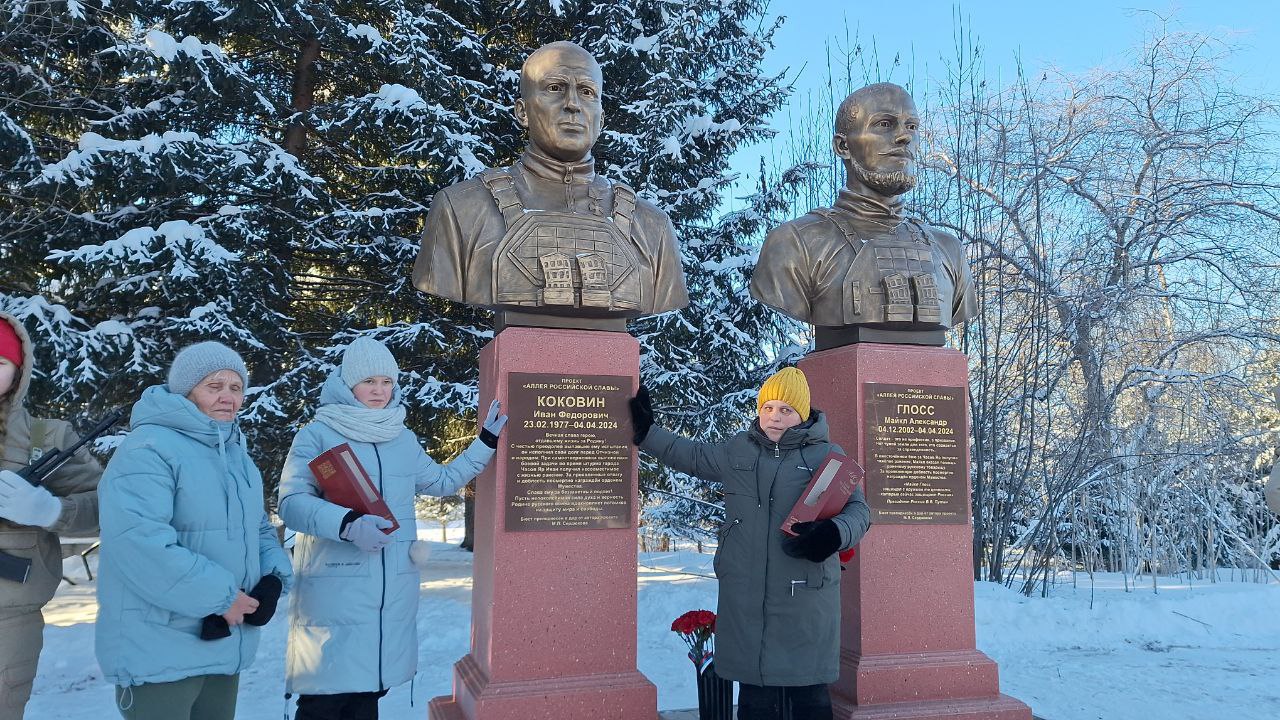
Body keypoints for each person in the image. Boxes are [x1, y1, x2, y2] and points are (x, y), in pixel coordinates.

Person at [278, 337, 506, 720]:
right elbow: (292, 504)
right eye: (369, 382)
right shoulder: (317, 434)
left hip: (391, 596)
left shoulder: (400, 437)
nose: (380, 391)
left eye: (387, 382)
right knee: (325, 699)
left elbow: (443, 481)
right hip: (337, 595)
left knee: (368, 697)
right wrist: (348, 524)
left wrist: (485, 442)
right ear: (349, 383)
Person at [630, 368, 871, 720]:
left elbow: (860, 513)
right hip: (747, 595)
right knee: (755, 695)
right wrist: (647, 433)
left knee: (809, 694)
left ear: (803, 414)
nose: (774, 417)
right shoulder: (739, 450)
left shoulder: (826, 457)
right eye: (768, 407)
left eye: (786, 410)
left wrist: (834, 533)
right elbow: (693, 456)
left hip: (805, 599)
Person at [412, 40, 688, 332]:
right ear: (522, 112)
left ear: (601, 118)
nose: (573, 104)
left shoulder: (652, 226)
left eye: (587, 92)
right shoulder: (462, 209)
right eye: (555, 88)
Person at [95, 341, 292, 720]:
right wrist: (223, 598)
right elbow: (139, 543)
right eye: (213, 386)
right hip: (160, 645)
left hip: (222, 640)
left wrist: (273, 580)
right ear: (186, 391)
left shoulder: (237, 456)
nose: (227, 397)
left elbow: (259, 529)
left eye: (235, 388)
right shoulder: (148, 449)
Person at [750, 82, 977, 349]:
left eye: (911, 126)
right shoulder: (795, 243)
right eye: (884, 124)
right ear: (843, 146)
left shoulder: (948, 250)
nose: (904, 137)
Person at [0, 312, 103, 720]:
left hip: (9, 625)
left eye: (0, 363)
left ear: (19, 372)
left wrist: (49, 511)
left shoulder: (47, 439)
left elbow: (108, 506)